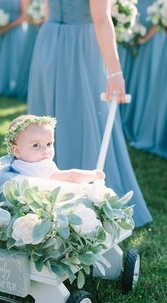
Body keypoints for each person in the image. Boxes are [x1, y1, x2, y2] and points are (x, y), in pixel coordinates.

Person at [27, 0, 152, 227]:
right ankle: (86, 200)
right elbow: (102, 20)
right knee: (84, 117)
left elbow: (47, 10)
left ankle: (47, 195)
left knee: (48, 117)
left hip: (48, 40)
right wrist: (115, 72)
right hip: (81, 47)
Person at [119, 0, 167, 158]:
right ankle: (131, 120)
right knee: (136, 80)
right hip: (136, 32)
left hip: (155, 39)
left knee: (148, 80)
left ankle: (144, 125)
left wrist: (147, 36)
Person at [4, 114, 105, 183]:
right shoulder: (42, 167)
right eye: (36, 145)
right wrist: (94, 175)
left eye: (49, 144)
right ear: (17, 151)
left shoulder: (13, 165)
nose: (45, 151)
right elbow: (71, 176)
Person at [0, 0, 37, 100]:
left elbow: (25, 16)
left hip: (15, 31)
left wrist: (8, 27)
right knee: (0, 59)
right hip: (1, 32)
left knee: (14, 59)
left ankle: (13, 86)